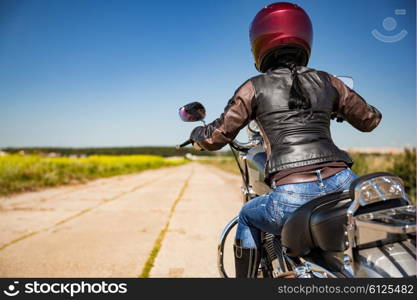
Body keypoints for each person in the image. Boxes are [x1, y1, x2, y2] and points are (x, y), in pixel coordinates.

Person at [189, 2, 381, 278]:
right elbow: (370, 120)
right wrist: (336, 108)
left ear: (259, 41)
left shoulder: (253, 87)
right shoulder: (328, 81)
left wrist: (197, 135)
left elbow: (217, 135)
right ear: (304, 35)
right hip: (343, 182)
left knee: (246, 215)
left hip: (293, 193)